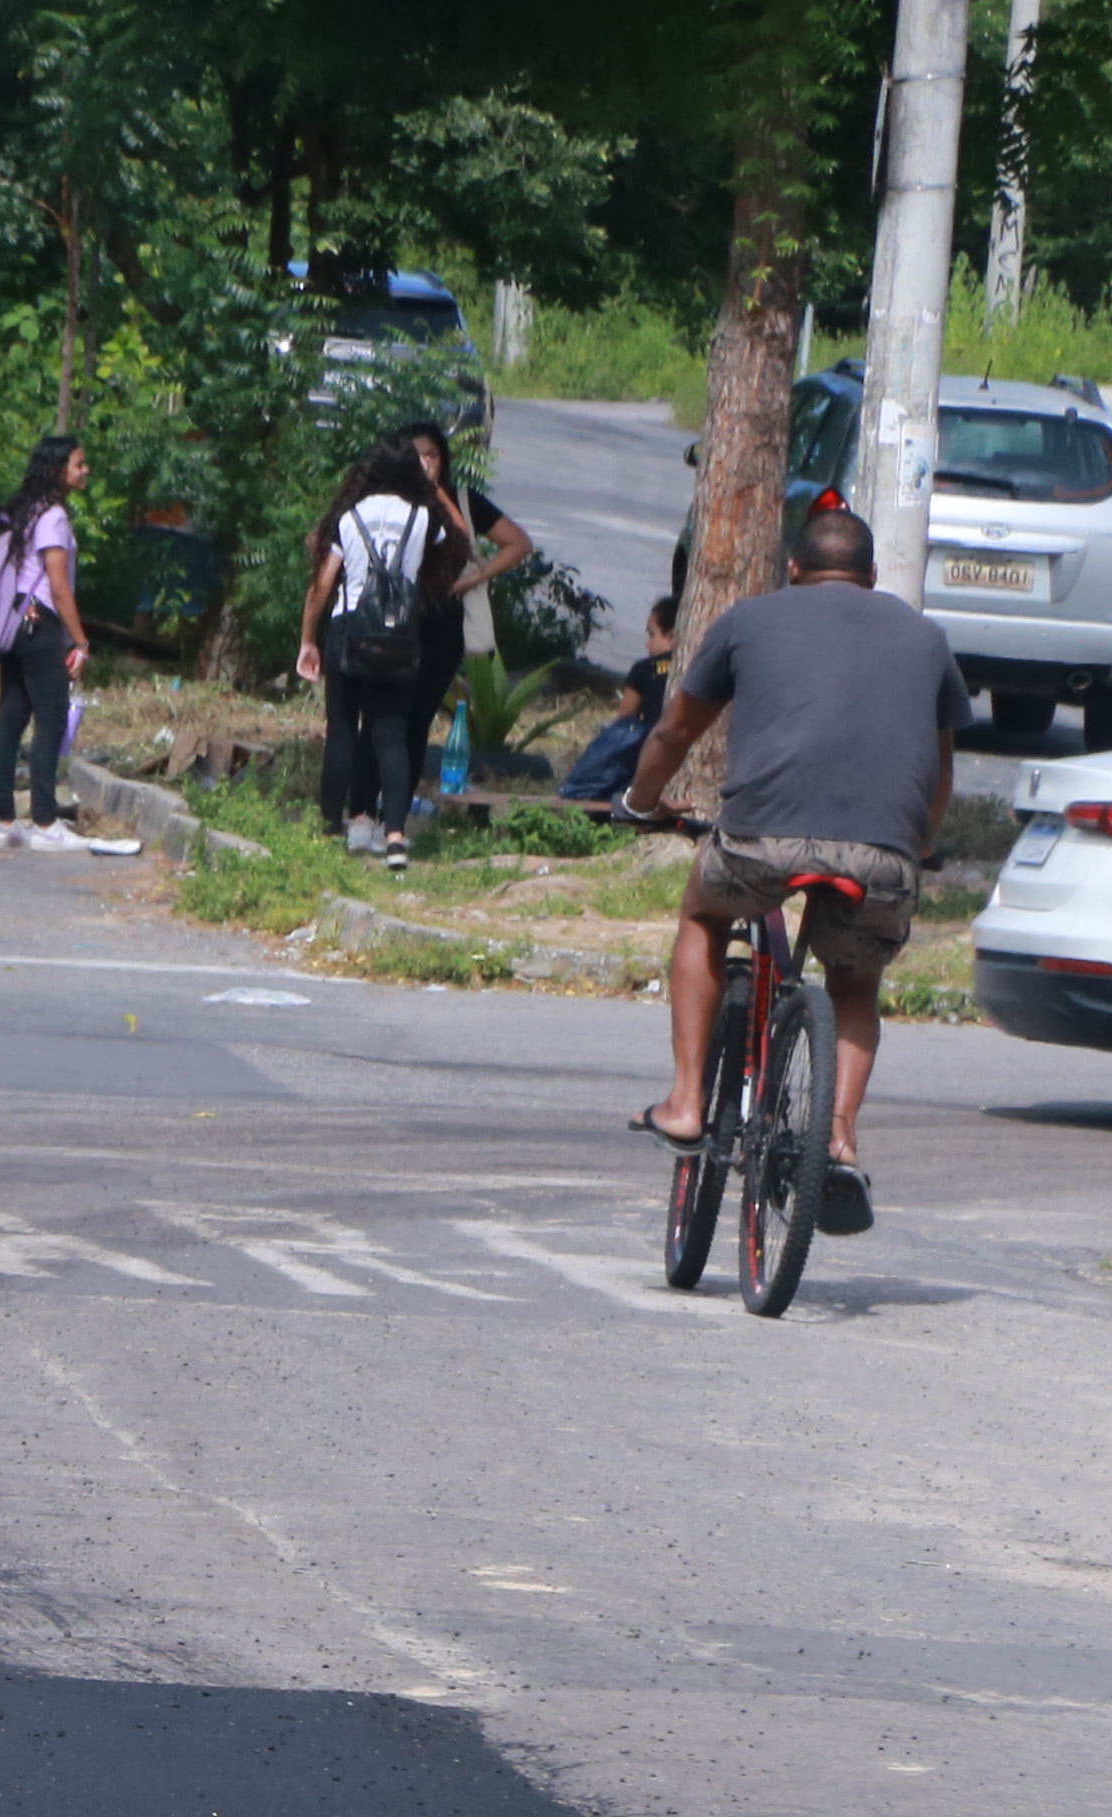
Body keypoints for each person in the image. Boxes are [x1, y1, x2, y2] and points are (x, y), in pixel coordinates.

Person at [625, 501, 964, 1232]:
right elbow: (940, 773)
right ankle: (837, 1136)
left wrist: (640, 800)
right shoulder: (928, 638)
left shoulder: (749, 619)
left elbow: (675, 728)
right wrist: (922, 846)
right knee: (854, 981)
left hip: (760, 842)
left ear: (793, 569)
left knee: (702, 914)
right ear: (873, 578)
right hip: (883, 854)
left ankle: (686, 1103)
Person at [291, 439, 442, 866]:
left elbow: (323, 585)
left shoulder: (348, 517)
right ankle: (394, 836)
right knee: (390, 735)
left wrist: (308, 639)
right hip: (400, 635)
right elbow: (440, 551)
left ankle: (329, 829)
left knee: (342, 730)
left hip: (348, 630)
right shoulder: (423, 517)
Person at [396, 420, 533, 829]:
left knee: (417, 720)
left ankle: (398, 810)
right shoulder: (388, 501)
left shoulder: (460, 501)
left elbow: (518, 542)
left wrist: (478, 575)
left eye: (433, 454)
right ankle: (371, 802)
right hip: (394, 622)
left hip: (442, 626)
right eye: (416, 455)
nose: (425, 462)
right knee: (388, 716)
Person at [0, 434, 91, 853]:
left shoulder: (26, 511)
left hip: (14, 620)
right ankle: (45, 823)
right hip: (39, 622)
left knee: (10, 718)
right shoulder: (55, 517)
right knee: (52, 719)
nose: (85, 471)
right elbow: (58, 587)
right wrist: (80, 642)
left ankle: (2, 820)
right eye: (78, 464)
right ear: (56, 469)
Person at [560, 598, 679, 804]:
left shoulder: (644, 669)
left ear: (673, 636)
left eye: (652, 635)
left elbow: (625, 720)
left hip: (654, 753)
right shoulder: (701, 665)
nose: (647, 644)